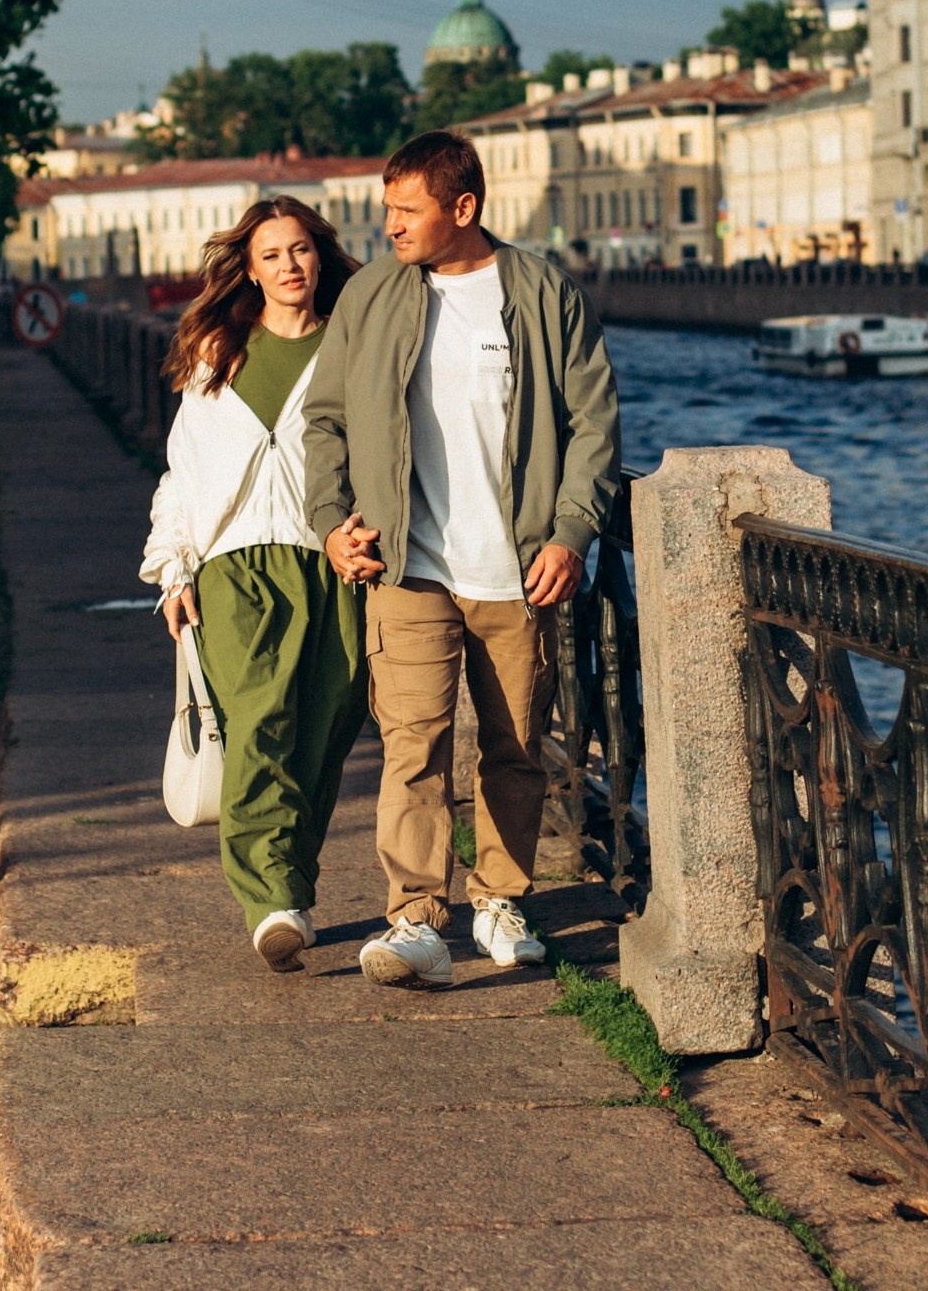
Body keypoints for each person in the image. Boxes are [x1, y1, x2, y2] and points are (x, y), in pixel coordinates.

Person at [305, 132, 621, 988]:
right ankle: (415, 920)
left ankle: (500, 901)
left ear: (464, 207)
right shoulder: (371, 295)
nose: (391, 225)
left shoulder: (544, 294)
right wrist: (332, 523)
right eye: (388, 208)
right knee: (414, 746)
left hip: (519, 570)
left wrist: (572, 533)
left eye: (408, 210)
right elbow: (325, 421)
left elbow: (594, 423)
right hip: (407, 566)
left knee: (515, 748)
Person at [142, 198, 366, 973]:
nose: (289, 266)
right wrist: (173, 565)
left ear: (320, 254)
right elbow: (183, 469)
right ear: (250, 268)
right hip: (233, 567)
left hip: (328, 560)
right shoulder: (220, 350)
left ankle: (291, 883)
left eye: (300, 249)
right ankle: (267, 898)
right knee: (259, 723)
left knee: (325, 726)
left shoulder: (351, 342)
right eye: (272, 255)